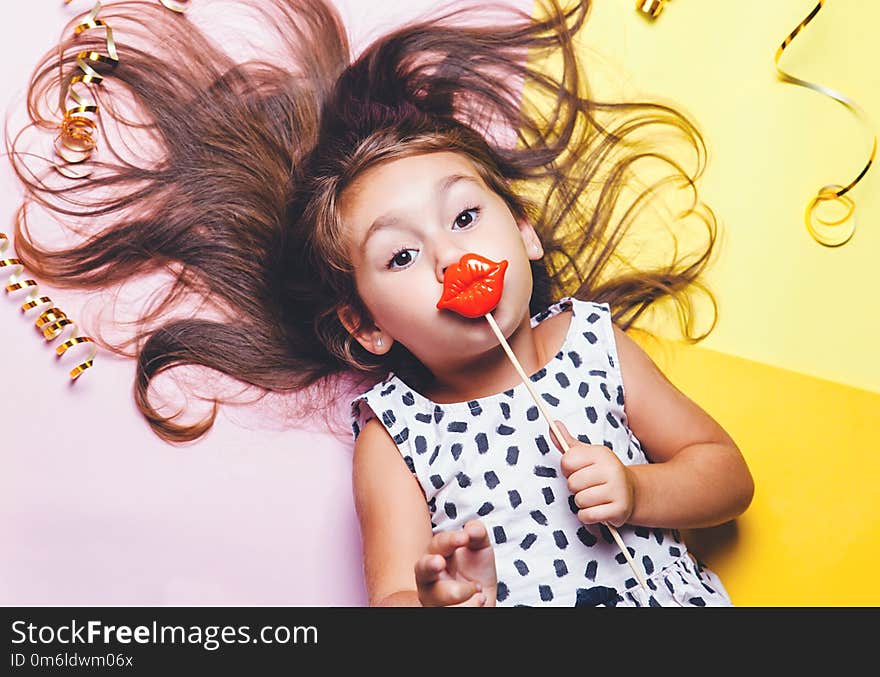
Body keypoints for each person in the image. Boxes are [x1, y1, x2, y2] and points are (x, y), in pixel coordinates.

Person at [8, 0, 753, 606]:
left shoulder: (595, 344)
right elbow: (393, 592)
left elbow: (727, 474)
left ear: (524, 233)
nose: (449, 256)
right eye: (401, 255)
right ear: (363, 325)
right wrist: (437, 603)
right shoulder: (397, 434)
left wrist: (637, 489)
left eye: (465, 218)